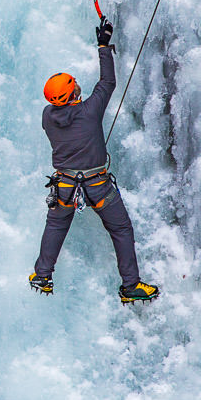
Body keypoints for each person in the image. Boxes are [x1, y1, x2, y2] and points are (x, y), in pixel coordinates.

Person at [29, 20, 159, 304]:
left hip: (64, 186)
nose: (77, 84)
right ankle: (130, 286)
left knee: (56, 226)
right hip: (97, 186)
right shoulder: (89, 111)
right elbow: (108, 82)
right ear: (71, 93)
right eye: (73, 84)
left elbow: (74, 106)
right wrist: (103, 46)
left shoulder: (47, 116)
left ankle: (42, 275)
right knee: (121, 229)